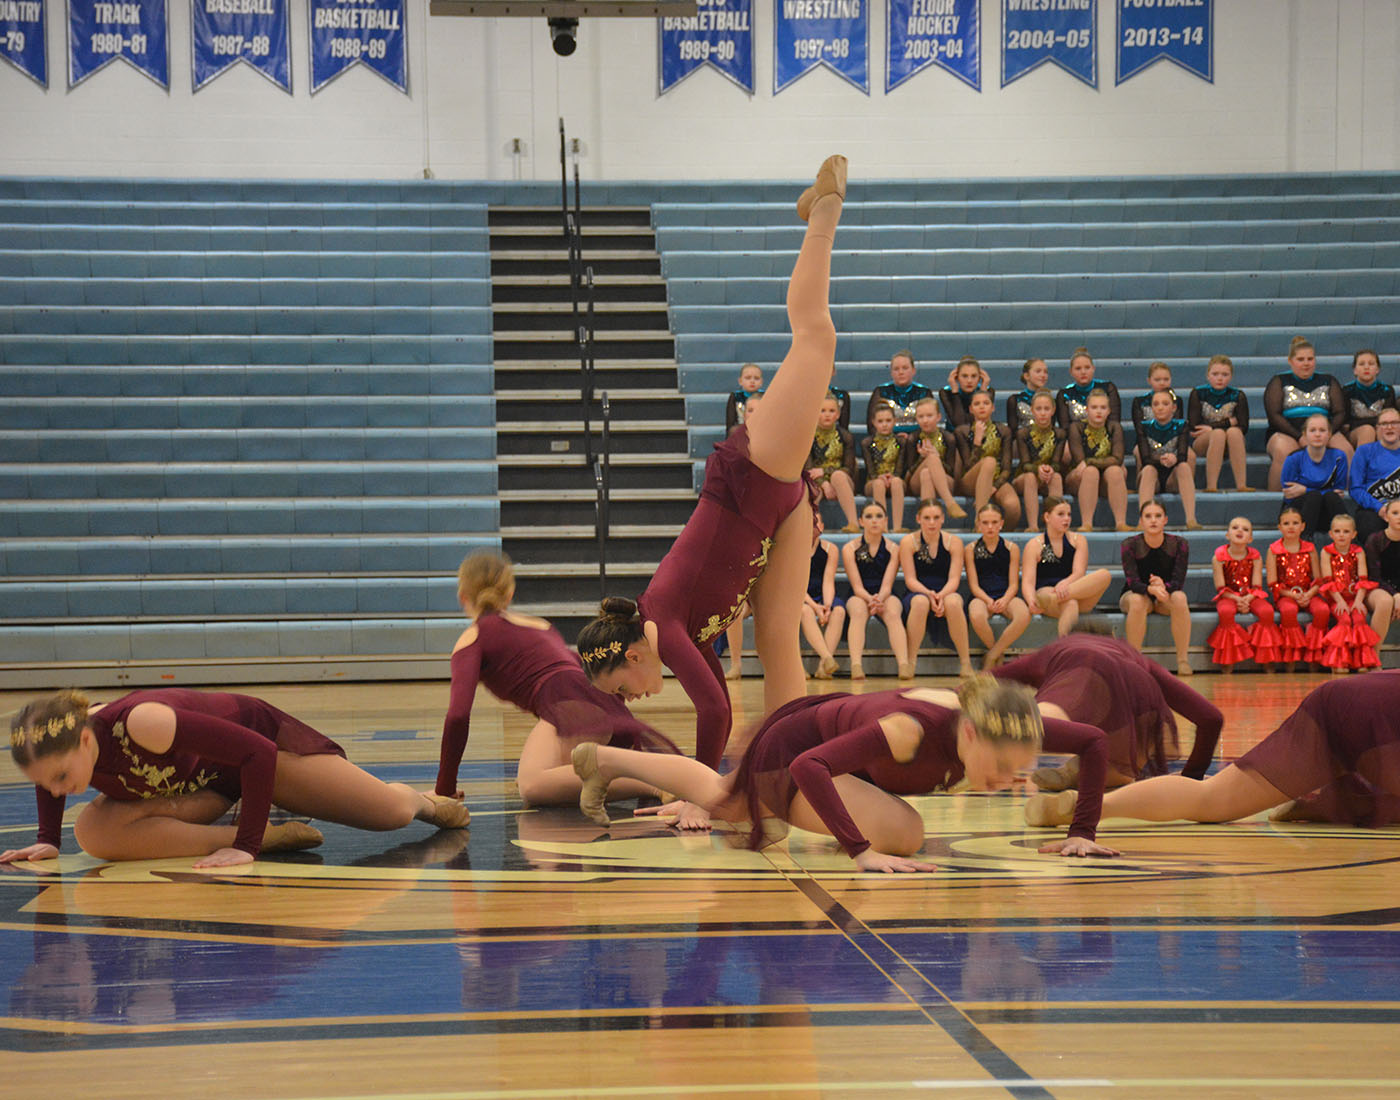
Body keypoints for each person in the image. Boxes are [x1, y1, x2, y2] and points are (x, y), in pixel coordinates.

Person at [577, 155, 848, 768]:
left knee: (815, 338)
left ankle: (824, 212)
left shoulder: (664, 624)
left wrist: (701, 792)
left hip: (751, 479)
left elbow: (717, 712)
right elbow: (722, 697)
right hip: (776, 512)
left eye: (623, 688)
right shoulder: (667, 638)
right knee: (780, 643)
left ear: (631, 655)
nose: (635, 700)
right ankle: (793, 766)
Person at [570, 676, 1119, 868]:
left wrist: (1082, 832)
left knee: (723, 800)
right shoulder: (909, 731)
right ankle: (611, 759)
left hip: (844, 755)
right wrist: (860, 849)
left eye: (1016, 772)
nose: (1005, 782)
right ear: (969, 735)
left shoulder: (1013, 724)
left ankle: (611, 761)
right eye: (1000, 770)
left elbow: (1093, 743)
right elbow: (810, 764)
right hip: (797, 749)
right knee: (905, 834)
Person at [1, 688, 468, 869]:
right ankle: (270, 835)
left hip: (263, 752)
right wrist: (48, 838)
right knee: (91, 831)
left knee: (388, 814)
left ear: (85, 741)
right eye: (46, 783)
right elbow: (49, 777)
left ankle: (425, 800)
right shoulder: (68, 755)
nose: (56, 789)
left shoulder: (142, 722)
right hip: (203, 787)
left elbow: (257, 752)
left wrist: (242, 849)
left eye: (61, 776)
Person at [438, 553, 676, 806]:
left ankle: (655, 781)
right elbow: (582, 673)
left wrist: (445, 789)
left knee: (532, 785)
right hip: (603, 713)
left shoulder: (471, 639)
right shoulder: (537, 625)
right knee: (545, 775)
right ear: (509, 593)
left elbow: (458, 716)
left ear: (463, 597)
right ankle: (647, 773)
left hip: (573, 710)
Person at [1023, 674, 1400, 831]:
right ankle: (1328, 801)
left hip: (1350, 696)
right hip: (1377, 714)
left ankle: (1085, 806)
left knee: (1212, 798)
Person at [996, 632, 1223, 795]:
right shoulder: (1134, 658)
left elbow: (978, 686)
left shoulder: (1052, 651)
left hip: (1066, 696)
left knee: (1042, 719)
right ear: (1113, 636)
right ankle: (1082, 771)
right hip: (1129, 702)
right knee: (1120, 771)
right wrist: (1192, 780)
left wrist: (999, 761)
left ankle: (1008, 755)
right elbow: (1211, 719)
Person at [899, 500, 973, 678]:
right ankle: (910, 662)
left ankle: (966, 663)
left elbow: (954, 579)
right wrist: (929, 594)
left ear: (943, 519)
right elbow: (910, 579)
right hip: (918, 590)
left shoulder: (953, 542)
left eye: (936, 518)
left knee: (954, 603)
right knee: (920, 603)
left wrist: (940, 595)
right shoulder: (909, 542)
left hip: (946, 589)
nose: (931, 522)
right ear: (918, 519)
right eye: (927, 518)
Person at [1263, 336, 1349, 490]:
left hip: (1323, 428)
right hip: (1286, 430)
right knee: (1285, 452)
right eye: (1301, 359)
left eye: (1310, 359)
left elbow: (1340, 412)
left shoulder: (1328, 380)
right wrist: (1299, 436)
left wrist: (1328, 433)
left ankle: (1346, 498)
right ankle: (1275, 500)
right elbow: (1274, 415)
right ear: (1290, 361)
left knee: (1345, 450)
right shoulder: (1279, 381)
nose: (1306, 363)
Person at [1119, 500, 1193, 676]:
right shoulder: (1129, 544)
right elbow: (1133, 582)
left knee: (1180, 598)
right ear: (1141, 521)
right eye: (1148, 516)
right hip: (1136, 594)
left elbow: (1178, 582)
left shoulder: (1180, 544)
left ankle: (1183, 660)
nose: (1153, 520)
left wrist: (1163, 586)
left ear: (1165, 520)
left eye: (1158, 516)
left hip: (1164, 596)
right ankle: (1134, 660)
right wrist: (1150, 589)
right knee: (1137, 601)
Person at [1022, 496, 1112, 635]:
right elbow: (1028, 581)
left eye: (1069, 514)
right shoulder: (1034, 545)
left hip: (1072, 591)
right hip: (1046, 591)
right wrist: (1031, 601)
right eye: (1061, 514)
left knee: (1104, 574)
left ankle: (1053, 598)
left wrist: (1065, 584)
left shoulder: (1078, 540)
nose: (1067, 519)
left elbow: (1079, 572)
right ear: (1047, 517)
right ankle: (1067, 651)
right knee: (1070, 604)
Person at [842, 501, 911, 681]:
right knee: (858, 611)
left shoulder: (894, 549)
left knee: (894, 611)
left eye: (879, 516)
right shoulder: (850, 548)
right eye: (869, 516)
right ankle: (856, 665)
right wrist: (869, 599)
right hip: (859, 592)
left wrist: (879, 599)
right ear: (861, 521)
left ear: (886, 520)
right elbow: (856, 586)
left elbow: (887, 584)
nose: (874, 521)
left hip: (884, 592)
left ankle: (904, 663)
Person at [1208, 516, 1281, 670]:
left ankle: (1266, 657)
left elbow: (1256, 585)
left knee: (1267, 611)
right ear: (1227, 535)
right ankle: (1228, 660)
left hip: (1250, 595)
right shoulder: (1219, 557)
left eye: (1245, 529)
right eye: (1235, 528)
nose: (1240, 530)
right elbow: (1221, 588)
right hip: (1228, 595)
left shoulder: (1255, 557)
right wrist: (1237, 599)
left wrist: (1247, 599)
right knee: (1226, 612)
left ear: (1250, 538)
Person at [964, 502, 1031, 669]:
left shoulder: (1011, 548)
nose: (990, 527)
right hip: (981, 595)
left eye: (994, 522)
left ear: (1001, 523)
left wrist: (1005, 599)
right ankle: (998, 653)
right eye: (985, 523)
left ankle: (992, 655)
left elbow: (1014, 584)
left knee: (1023, 615)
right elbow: (974, 585)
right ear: (978, 524)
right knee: (976, 615)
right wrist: (987, 600)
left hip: (1006, 593)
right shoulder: (971, 549)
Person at [1266, 503, 1329, 666]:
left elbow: (1318, 579)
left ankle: (1315, 654)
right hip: (1286, 594)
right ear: (1280, 527)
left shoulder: (1310, 548)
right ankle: (1290, 656)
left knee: (1322, 610)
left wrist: (1309, 594)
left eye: (1295, 523)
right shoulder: (1274, 549)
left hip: (1309, 593)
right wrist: (1292, 595)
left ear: (1303, 526)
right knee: (1289, 610)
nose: (1291, 527)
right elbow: (1272, 582)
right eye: (1286, 523)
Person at [1318, 513, 1381, 672]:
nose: (1341, 535)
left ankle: (1362, 661)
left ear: (1354, 534)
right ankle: (1339, 662)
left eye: (1346, 531)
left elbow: (1362, 579)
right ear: (1331, 534)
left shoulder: (1358, 552)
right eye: (1337, 531)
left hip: (1355, 597)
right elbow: (1328, 580)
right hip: (1335, 598)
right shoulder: (1326, 552)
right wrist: (1339, 601)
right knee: (1345, 620)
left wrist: (1359, 601)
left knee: (1359, 618)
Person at [1065, 388, 1130, 532]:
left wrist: (1090, 461)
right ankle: (1086, 523)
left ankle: (1121, 522)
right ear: (1087, 410)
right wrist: (1090, 463)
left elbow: (1118, 459)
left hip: (1106, 481)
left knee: (1115, 471)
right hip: (1079, 479)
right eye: (1094, 407)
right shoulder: (1077, 427)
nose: (1099, 411)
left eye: (1103, 407)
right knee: (1091, 472)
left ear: (1109, 411)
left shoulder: (1114, 427)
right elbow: (1079, 461)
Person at [1135, 388, 1201, 530]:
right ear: (1151, 407)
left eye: (1165, 404)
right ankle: (1143, 520)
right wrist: (1162, 459)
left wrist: (1175, 459)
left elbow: (1183, 455)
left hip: (1173, 478)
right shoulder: (1144, 427)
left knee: (1184, 467)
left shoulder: (1181, 425)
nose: (1160, 407)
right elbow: (1145, 458)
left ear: (1174, 407)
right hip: (1153, 478)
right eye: (1156, 404)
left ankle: (1191, 519)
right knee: (1148, 470)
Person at [953, 389, 1021, 525]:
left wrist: (995, 487)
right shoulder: (962, 431)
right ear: (971, 409)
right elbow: (968, 465)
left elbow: (1007, 468)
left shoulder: (1003, 431)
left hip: (995, 480)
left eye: (986, 403)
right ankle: (979, 521)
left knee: (1013, 507)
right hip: (970, 480)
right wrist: (977, 442)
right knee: (989, 461)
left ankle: (996, 537)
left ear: (993, 407)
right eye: (977, 404)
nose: (982, 406)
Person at [1281, 412, 1352, 541]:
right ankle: (1304, 542)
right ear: (1304, 434)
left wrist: (1305, 490)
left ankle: (1351, 542)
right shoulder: (1293, 458)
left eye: (1322, 430)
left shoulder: (1339, 457)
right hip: (1298, 516)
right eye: (1312, 430)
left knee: (1330, 497)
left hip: (1327, 513)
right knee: (1315, 497)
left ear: (1329, 434)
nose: (1318, 434)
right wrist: (1315, 493)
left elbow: (1338, 491)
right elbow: (1289, 494)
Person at [1188, 354, 1251, 493]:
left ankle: (1241, 484)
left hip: (1231, 443)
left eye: (1225, 374)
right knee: (1218, 434)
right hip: (1204, 443)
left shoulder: (1237, 395)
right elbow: (1193, 426)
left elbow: (1244, 426)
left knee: (1234, 432)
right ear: (1208, 375)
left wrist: (1211, 427)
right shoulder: (1198, 393)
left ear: (1231, 377)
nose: (1220, 378)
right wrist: (1228, 422)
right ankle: (1211, 485)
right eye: (1215, 374)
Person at [1012, 388, 1067, 531]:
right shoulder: (1023, 433)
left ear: (1053, 410)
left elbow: (1057, 462)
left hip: (1048, 477)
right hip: (1024, 478)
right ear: (1032, 410)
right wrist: (1038, 470)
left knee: (1057, 477)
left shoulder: (1059, 434)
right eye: (1039, 409)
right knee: (1030, 477)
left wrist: (1051, 469)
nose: (1043, 413)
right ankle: (1033, 525)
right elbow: (1025, 464)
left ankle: (1056, 525)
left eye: (1046, 409)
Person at [904, 396, 965, 519]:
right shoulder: (913, 438)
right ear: (916, 418)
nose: (925, 420)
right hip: (916, 482)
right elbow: (909, 472)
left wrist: (935, 458)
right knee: (930, 461)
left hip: (945, 481)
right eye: (921, 417)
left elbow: (951, 471)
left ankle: (927, 518)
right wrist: (923, 458)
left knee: (927, 473)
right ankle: (950, 503)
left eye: (929, 416)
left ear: (938, 417)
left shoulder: (949, 438)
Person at [802, 518, 847, 680]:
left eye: (816, 523)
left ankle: (823, 667)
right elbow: (795, 583)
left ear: (822, 526)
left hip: (820, 592)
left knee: (839, 610)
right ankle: (827, 656)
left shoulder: (830, 548)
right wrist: (815, 607)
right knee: (805, 611)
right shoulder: (793, 548)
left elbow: (828, 580)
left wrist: (827, 605)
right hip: (799, 594)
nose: (813, 527)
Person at [807, 393, 860, 531]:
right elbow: (808, 469)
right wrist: (824, 483)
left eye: (831, 411)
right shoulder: (808, 437)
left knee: (838, 476)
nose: (827, 415)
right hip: (816, 482)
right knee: (813, 489)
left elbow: (848, 468)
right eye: (822, 411)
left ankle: (853, 523)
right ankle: (812, 526)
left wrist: (826, 473)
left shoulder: (845, 436)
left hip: (842, 482)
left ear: (838, 414)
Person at [1348, 407, 1400, 542]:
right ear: (1377, 428)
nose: (1389, 427)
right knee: (1368, 525)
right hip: (1374, 508)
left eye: (1394, 423)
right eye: (1384, 424)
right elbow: (1355, 489)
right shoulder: (1364, 451)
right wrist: (1379, 508)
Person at [862, 404, 908, 531]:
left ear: (895, 421)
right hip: (873, 481)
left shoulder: (901, 442)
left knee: (897, 482)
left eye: (888, 420)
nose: (884, 424)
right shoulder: (867, 443)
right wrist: (878, 477)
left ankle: (898, 527)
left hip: (895, 479)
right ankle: (883, 528)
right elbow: (869, 467)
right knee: (878, 484)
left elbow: (901, 465)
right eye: (880, 421)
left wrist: (894, 476)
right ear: (873, 422)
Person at [867, 349, 933, 436]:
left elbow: (932, 423)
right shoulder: (880, 392)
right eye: (896, 369)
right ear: (891, 372)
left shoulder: (924, 392)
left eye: (905, 368)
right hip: (887, 440)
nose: (901, 372)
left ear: (913, 371)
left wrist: (913, 439)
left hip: (918, 440)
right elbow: (872, 425)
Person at [1363, 498, 1400, 654]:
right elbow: (1374, 577)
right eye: (1395, 513)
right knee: (1385, 602)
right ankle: (1373, 657)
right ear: (1386, 517)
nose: (1399, 517)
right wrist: (1395, 594)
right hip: (1377, 587)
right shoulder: (1375, 540)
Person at [1056, 346, 1121, 433]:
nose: (1083, 372)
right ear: (1071, 372)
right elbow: (1065, 427)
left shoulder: (1108, 388)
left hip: (1105, 437)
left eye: (1087, 367)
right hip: (1075, 440)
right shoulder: (1064, 394)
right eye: (1078, 368)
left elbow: (1114, 422)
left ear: (1093, 369)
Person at [1341, 349, 1395, 449]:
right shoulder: (1347, 391)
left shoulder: (1387, 390)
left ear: (1377, 369)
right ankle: (1362, 464)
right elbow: (1346, 422)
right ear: (1355, 370)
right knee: (1367, 431)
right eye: (1361, 364)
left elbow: (1389, 418)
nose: (1366, 367)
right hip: (1355, 432)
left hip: (1381, 430)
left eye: (1371, 364)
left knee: (1384, 430)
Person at [1129, 361, 1185, 436]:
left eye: (1166, 379)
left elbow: (1178, 426)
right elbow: (1139, 429)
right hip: (1146, 440)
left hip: (1172, 440)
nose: (1162, 383)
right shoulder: (1140, 401)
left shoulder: (1177, 401)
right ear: (1149, 381)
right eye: (1157, 380)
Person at [940, 355, 994, 432]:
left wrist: (983, 392)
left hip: (981, 433)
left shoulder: (988, 391)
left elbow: (981, 419)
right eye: (964, 376)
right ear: (957, 377)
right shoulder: (946, 392)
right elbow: (959, 423)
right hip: (954, 437)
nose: (969, 381)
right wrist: (955, 392)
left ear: (980, 377)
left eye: (974, 376)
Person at [1006, 356, 1052, 438]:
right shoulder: (1015, 400)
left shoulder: (1050, 400)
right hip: (1022, 442)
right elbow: (1013, 431)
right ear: (1026, 376)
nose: (1043, 375)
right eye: (1038, 371)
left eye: (1045, 372)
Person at [724, 362, 764, 434]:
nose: (752, 381)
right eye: (748, 378)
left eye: (756, 378)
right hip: (741, 431)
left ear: (761, 382)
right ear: (740, 381)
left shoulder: (765, 396)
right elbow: (730, 421)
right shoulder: (735, 396)